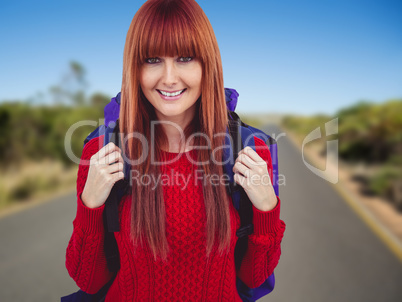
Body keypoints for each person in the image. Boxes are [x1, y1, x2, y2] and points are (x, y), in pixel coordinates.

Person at [65, 0, 286, 301]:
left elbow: (254, 277)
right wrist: (90, 205)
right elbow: (88, 281)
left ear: (207, 64)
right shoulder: (102, 152)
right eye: (152, 59)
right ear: (135, 68)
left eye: (185, 58)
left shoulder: (248, 151)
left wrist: (266, 210)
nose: (169, 78)